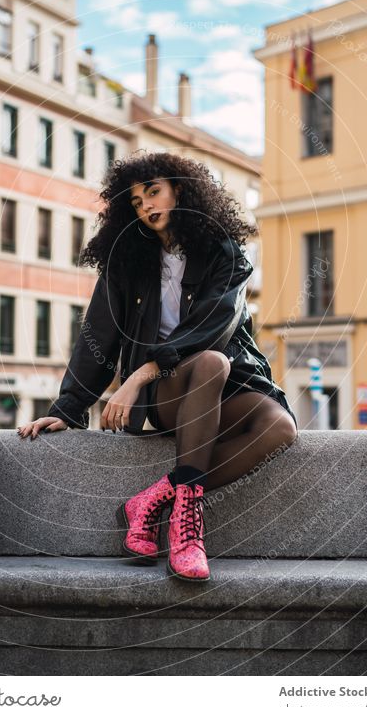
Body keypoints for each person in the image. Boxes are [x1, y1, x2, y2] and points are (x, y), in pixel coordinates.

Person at [18, 152, 298, 582]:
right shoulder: (126, 259)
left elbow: (212, 326)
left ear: (179, 191)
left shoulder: (227, 253)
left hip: (225, 383)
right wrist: (67, 409)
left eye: (154, 192)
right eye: (136, 202)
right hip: (171, 393)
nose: (147, 206)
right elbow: (99, 336)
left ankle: (153, 499)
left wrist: (136, 376)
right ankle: (188, 534)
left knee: (280, 427)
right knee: (208, 365)